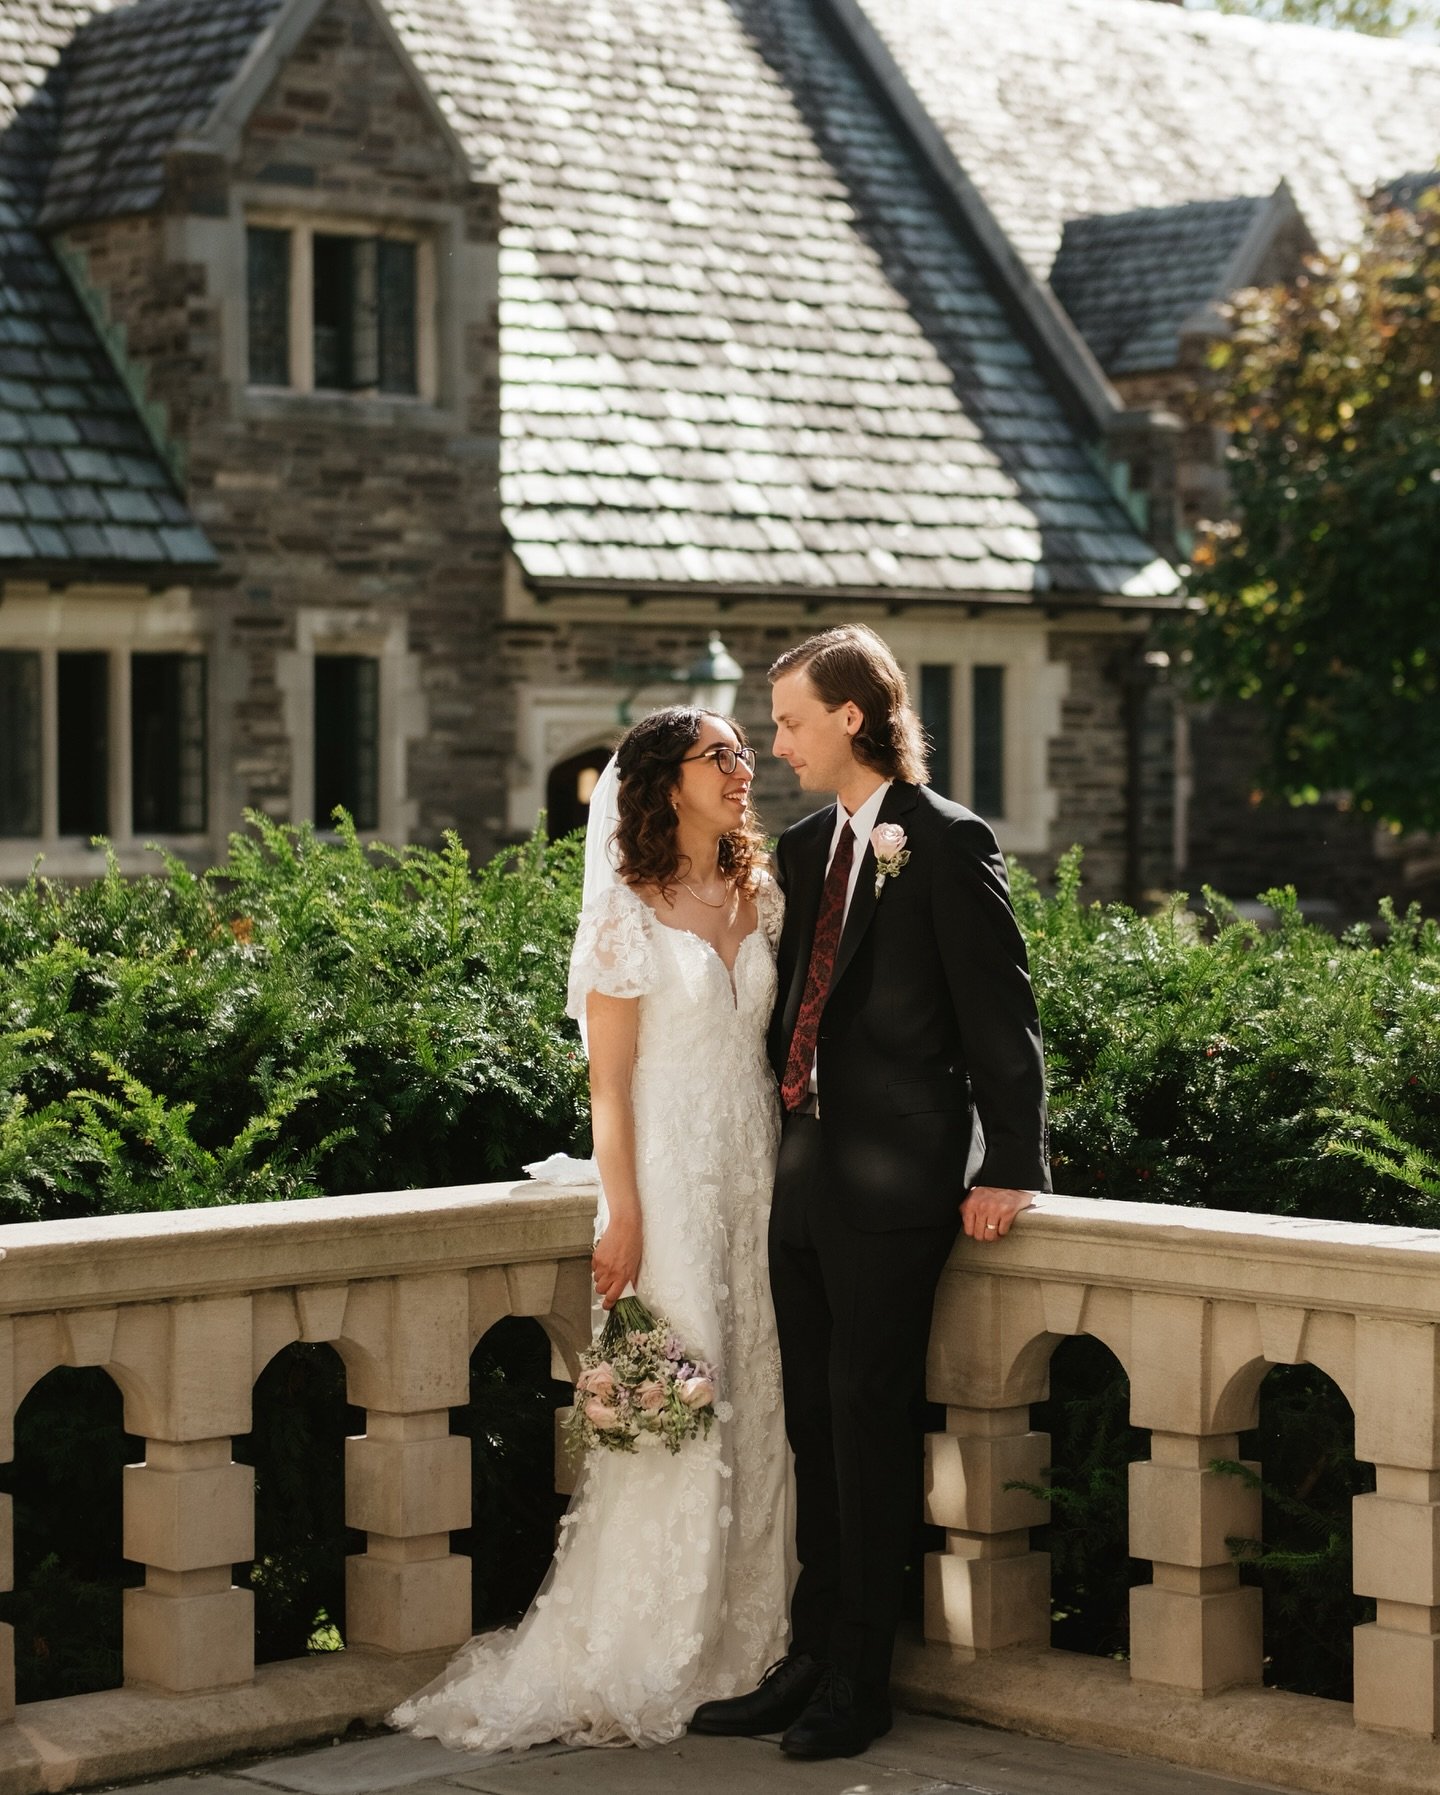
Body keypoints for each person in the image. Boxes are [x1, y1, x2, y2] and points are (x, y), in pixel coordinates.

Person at [391, 706, 793, 1751]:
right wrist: (621, 1209)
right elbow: (607, 1085)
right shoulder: (626, 909)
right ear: (665, 780)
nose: (744, 768)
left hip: (756, 1170)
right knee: (676, 1404)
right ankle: (650, 1645)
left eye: (747, 751)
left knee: (757, 1392)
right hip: (665, 1174)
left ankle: (752, 1642)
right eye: (721, 756)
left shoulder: (763, 889)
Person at [690, 624, 1050, 1760]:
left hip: (900, 1190)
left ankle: (862, 1677)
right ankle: (805, 1659)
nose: (779, 742)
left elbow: (1003, 1018)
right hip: (799, 1183)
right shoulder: (804, 850)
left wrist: (1009, 1164)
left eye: (791, 720)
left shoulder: (947, 843)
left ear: (854, 716)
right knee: (810, 1427)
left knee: (867, 1422)